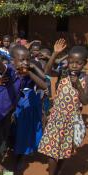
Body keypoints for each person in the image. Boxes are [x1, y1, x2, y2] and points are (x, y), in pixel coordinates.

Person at [38, 44, 88, 175]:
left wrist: (78, 85)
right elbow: (47, 71)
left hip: (72, 121)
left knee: (65, 150)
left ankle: (58, 172)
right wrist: (54, 54)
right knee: (52, 151)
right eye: (71, 62)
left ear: (84, 63)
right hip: (57, 118)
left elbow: (85, 101)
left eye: (78, 63)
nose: (74, 65)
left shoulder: (85, 79)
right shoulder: (63, 72)